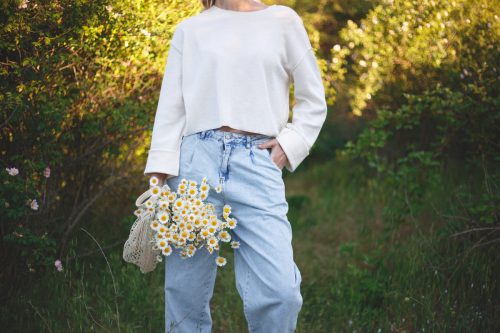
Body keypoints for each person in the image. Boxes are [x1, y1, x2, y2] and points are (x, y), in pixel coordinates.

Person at [143, 0, 328, 332]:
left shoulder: (283, 21)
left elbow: (313, 98)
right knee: (184, 294)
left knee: (281, 291)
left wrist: (291, 143)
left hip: (257, 161)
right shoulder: (191, 30)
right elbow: (171, 108)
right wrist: (158, 178)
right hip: (194, 165)